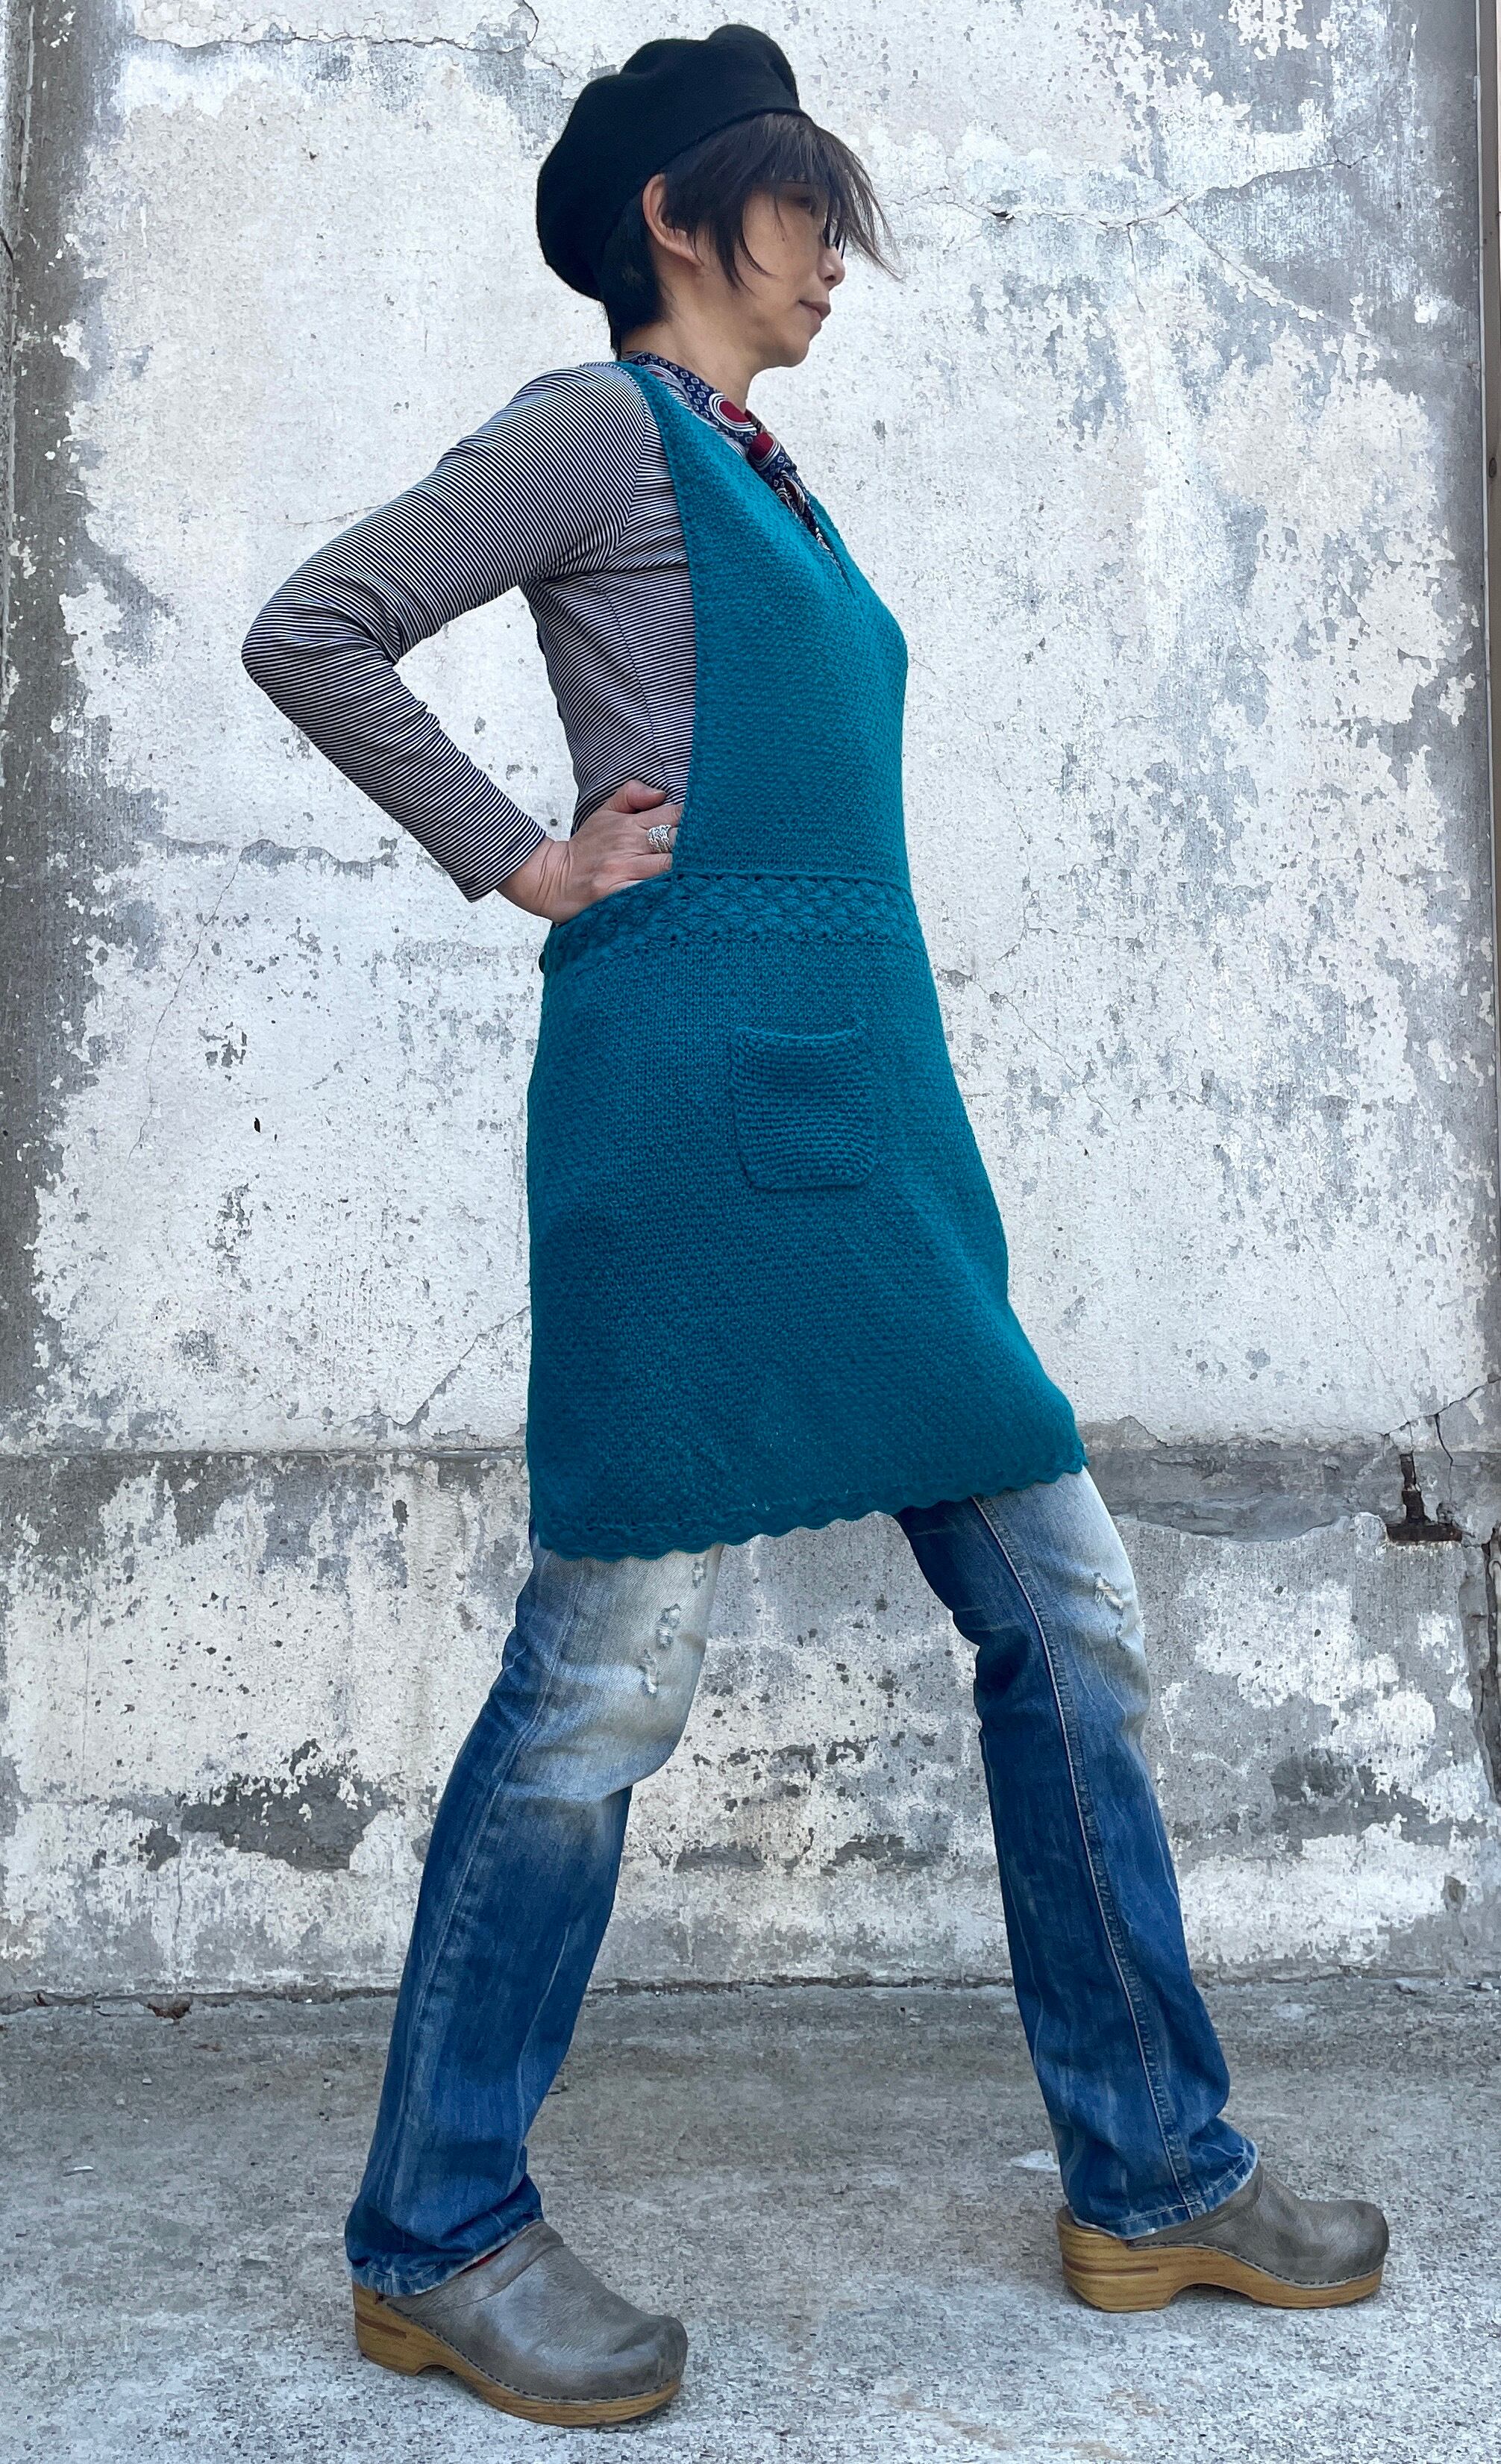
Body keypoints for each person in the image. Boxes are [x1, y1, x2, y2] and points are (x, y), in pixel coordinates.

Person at [242, 22, 1389, 2429]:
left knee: (1069, 1621)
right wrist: (524, 857)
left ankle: (1153, 2174)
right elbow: (317, 625)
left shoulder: (770, 475)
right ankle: (434, 2230)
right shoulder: (596, 429)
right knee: (607, 1684)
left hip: (865, 1131)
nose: (834, 257)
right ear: (678, 215)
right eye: (800, 206)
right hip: (688, 1127)